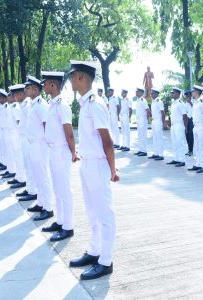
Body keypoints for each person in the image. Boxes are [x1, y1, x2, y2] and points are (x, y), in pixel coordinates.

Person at [67, 60, 119, 280]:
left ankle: (105, 261)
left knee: (105, 214)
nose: (70, 80)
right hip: (87, 163)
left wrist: (112, 170)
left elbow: (107, 141)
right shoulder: (84, 103)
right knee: (92, 212)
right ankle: (94, 251)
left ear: (81, 77)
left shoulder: (96, 103)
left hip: (98, 164)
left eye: (72, 76)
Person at [40, 71, 78, 241]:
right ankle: (61, 221)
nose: (44, 86)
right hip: (53, 150)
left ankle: (68, 226)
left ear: (53, 85)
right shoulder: (52, 104)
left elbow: (68, 132)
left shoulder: (62, 105)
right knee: (57, 188)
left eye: (46, 83)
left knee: (65, 190)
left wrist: (73, 151)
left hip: (62, 151)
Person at [24, 75, 55, 220]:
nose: (25, 90)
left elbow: (46, 124)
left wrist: (48, 143)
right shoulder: (33, 104)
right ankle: (41, 203)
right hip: (33, 144)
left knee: (43, 176)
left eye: (28, 88)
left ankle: (48, 208)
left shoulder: (41, 104)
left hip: (40, 144)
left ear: (36, 90)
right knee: (37, 176)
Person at [16, 84, 38, 201]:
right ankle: (30, 188)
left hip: (29, 139)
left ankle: (33, 191)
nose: (15, 97)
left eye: (27, 88)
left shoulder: (29, 105)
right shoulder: (25, 105)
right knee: (27, 166)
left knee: (30, 166)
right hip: (25, 139)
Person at [188, 85, 203, 173]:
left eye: (193, 91)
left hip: (200, 126)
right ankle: (198, 164)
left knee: (202, 146)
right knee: (197, 146)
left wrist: (201, 123)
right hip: (195, 126)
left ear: (197, 92)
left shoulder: (202, 102)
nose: (192, 93)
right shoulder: (195, 103)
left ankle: (202, 166)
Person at [167, 87, 188, 167]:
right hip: (173, 125)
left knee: (180, 143)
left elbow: (184, 115)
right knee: (175, 143)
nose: (172, 94)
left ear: (178, 94)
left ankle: (182, 160)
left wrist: (185, 127)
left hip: (179, 125)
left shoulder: (180, 103)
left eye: (174, 93)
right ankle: (176, 159)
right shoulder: (173, 103)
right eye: (172, 93)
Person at [149, 88, 165, 160]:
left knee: (159, 138)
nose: (151, 95)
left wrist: (163, 122)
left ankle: (160, 155)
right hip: (154, 120)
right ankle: (156, 153)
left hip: (158, 120)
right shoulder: (153, 101)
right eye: (151, 93)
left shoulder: (159, 101)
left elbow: (163, 113)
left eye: (152, 93)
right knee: (155, 138)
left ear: (156, 94)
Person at [134, 87, 151, 156]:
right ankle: (140, 149)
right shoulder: (138, 100)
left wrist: (146, 119)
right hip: (139, 119)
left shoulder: (143, 100)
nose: (136, 93)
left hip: (143, 119)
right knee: (140, 135)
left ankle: (144, 151)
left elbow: (148, 110)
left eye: (137, 91)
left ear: (141, 92)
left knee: (143, 135)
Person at [184, 90, 194, 156]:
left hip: (192, 120)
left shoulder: (193, 101)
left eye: (189, 95)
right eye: (186, 96)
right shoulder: (184, 104)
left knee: (191, 135)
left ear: (191, 95)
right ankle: (189, 149)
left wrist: (190, 102)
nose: (188, 97)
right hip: (187, 120)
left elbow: (195, 108)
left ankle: (191, 150)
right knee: (187, 135)